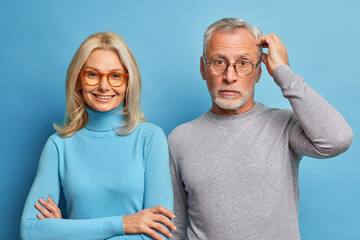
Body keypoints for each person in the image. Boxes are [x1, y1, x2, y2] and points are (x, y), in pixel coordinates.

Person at [168, 18, 353, 239]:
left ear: (259, 72)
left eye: (243, 63)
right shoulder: (179, 139)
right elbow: (174, 227)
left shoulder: (284, 125)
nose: (230, 76)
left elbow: (338, 139)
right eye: (219, 61)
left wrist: (284, 72)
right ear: (203, 68)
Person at [20, 32, 175, 240]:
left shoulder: (151, 138)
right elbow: (30, 232)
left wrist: (64, 231)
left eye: (115, 76)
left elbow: (159, 233)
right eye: (92, 74)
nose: (104, 86)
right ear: (78, 81)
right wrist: (124, 223)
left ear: (128, 83)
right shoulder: (58, 146)